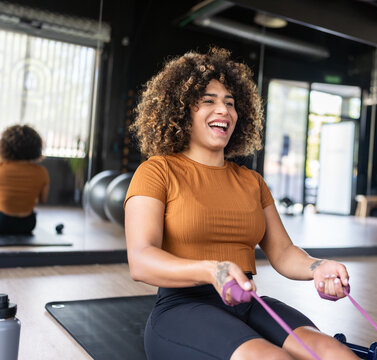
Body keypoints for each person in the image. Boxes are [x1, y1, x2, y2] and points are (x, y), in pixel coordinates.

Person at [124, 47, 357, 360]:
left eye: (230, 103)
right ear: (181, 111)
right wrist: (212, 270)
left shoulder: (252, 181)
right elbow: (140, 259)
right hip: (182, 309)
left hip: (248, 303)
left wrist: (319, 267)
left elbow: (284, 253)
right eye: (209, 101)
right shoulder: (157, 171)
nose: (224, 110)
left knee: (334, 354)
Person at [0, 124, 49, 234]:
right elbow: (43, 200)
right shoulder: (42, 172)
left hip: (1, 222)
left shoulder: (1, 169)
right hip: (28, 224)